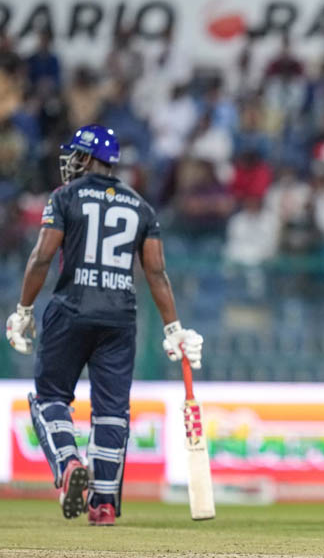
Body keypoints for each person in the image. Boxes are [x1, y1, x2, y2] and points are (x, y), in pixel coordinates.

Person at [5, 124, 203, 526]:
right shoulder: (141, 207)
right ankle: (104, 504)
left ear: (90, 157)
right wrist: (173, 329)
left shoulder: (64, 196)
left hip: (71, 309)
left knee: (50, 399)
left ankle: (68, 462)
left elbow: (42, 258)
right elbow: (157, 273)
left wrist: (24, 309)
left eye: (77, 153)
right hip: (119, 318)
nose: (72, 161)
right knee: (111, 413)